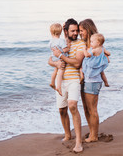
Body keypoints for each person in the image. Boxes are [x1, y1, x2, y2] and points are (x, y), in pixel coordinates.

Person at [49, 18, 85, 153]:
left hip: (74, 79)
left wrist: (61, 57)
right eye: (73, 31)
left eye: (77, 30)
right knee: (62, 110)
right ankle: (68, 134)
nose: (76, 33)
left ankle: (78, 142)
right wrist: (56, 63)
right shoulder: (59, 42)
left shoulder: (81, 44)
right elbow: (50, 60)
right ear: (66, 31)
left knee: (72, 106)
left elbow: (77, 63)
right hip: (61, 80)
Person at [78, 19, 111, 143]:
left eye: (82, 30)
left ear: (88, 29)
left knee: (92, 109)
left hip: (93, 81)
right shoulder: (90, 45)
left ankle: (94, 135)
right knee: (87, 109)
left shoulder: (97, 46)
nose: (80, 33)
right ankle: (92, 132)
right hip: (87, 80)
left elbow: (106, 58)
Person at [48, 23, 70, 96]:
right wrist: (68, 48)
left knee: (55, 70)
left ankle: (52, 82)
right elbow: (64, 50)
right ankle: (58, 87)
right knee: (61, 70)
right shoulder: (61, 41)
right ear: (60, 32)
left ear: (51, 32)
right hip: (60, 58)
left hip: (54, 58)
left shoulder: (51, 41)